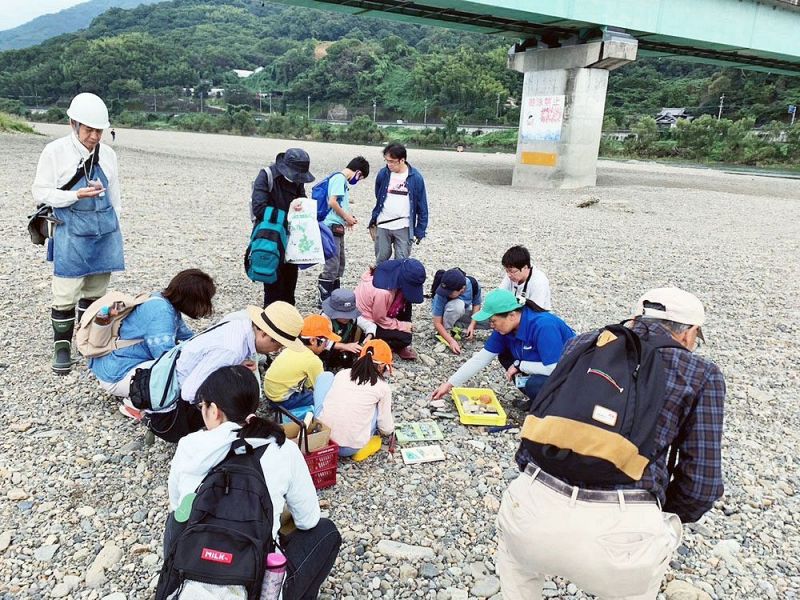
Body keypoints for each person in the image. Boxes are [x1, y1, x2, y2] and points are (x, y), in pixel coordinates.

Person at [495, 287, 726, 600]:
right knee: (634, 584)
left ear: (634, 319)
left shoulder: (582, 344)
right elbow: (701, 486)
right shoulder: (702, 373)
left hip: (531, 511)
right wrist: (657, 511)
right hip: (620, 539)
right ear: (690, 334)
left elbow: (534, 436)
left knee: (516, 568)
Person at [165, 365, 341, 600]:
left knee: (176, 518)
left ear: (214, 410)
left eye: (202, 407)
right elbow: (308, 521)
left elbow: (179, 510)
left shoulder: (189, 445)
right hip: (255, 586)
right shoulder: (283, 447)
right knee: (325, 531)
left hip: (190, 583)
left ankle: (172, 583)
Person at [32, 92, 124, 375]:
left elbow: (116, 197)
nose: (95, 136)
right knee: (65, 293)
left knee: (97, 293)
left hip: (104, 232)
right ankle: (62, 348)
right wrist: (74, 195)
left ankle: (89, 343)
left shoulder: (108, 155)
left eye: (100, 130)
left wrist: (113, 227)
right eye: (89, 130)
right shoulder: (55, 151)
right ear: (73, 123)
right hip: (70, 230)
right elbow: (40, 192)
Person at [140, 302, 305, 441]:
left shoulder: (240, 324)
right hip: (171, 410)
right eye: (278, 345)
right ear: (263, 334)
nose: (277, 350)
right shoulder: (231, 350)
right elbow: (189, 393)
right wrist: (222, 415)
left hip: (172, 378)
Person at [431, 289, 575, 410]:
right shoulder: (505, 329)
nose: (491, 326)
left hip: (571, 375)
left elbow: (554, 368)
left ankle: (555, 408)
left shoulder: (543, 326)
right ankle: (538, 399)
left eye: (493, 321)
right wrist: (449, 384)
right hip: (540, 364)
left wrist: (520, 365)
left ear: (512, 315)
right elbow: (481, 359)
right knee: (505, 356)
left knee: (534, 384)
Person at [90, 269, 216, 399]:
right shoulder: (162, 314)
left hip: (109, 365)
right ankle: (136, 404)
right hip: (116, 374)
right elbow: (164, 358)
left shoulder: (162, 300)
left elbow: (188, 337)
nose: (208, 306)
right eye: (206, 301)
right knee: (178, 375)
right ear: (193, 299)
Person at [251, 148, 315, 306]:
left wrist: (302, 206)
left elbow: (302, 199)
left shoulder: (298, 180)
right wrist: (289, 213)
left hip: (292, 239)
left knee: (289, 288)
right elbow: (258, 208)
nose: (297, 179)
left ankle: (287, 324)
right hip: (270, 239)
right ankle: (270, 325)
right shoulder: (266, 175)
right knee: (273, 288)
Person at [316, 340, 394, 461]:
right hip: (350, 448)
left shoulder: (342, 374)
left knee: (325, 376)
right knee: (373, 408)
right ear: (383, 365)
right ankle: (364, 444)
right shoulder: (382, 387)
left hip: (322, 438)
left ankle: (320, 420)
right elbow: (386, 429)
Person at [317, 156, 370, 304]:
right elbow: (332, 202)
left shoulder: (341, 181)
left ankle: (334, 294)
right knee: (332, 263)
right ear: (358, 172)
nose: (357, 181)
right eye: (360, 178)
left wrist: (347, 218)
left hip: (337, 226)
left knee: (340, 262)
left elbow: (338, 205)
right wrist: (347, 217)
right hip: (330, 227)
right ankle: (325, 297)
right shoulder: (339, 179)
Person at [354, 258, 426, 361]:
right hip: (366, 320)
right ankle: (373, 341)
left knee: (407, 300)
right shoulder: (383, 292)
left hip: (378, 310)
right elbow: (379, 319)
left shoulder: (389, 272)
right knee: (405, 338)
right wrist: (402, 326)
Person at [263, 314, 337, 413]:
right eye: (326, 342)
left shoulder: (292, 347)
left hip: (270, 393)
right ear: (313, 340)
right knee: (325, 399)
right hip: (282, 400)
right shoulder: (313, 361)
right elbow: (320, 388)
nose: (326, 346)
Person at [369, 142, 429, 263]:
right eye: (386, 161)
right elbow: (378, 194)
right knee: (381, 259)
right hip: (383, 223)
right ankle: (381, 281)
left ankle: (398, 282)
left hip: (404, 225)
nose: (388, 164)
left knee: (401, 261)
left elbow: (422, 206)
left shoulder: (416, 178)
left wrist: (420, 229)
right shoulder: (383, 173)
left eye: (392, 161)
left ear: (402, 160)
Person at [320, 288, 376, 371]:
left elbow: (371, 326)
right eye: (343, 315)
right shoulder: (324, 318)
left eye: (349, 314)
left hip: (347, 345)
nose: (346, 318)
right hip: (328, 349)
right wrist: (344, 346)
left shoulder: (354, 318)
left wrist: (367, 340)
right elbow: (320, 341)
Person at [431, 268, 483, 355]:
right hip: (446, 314)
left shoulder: (473, 284)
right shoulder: (441, 293)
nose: (446, 294)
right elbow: (437, 322)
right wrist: (451, 341)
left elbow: (476, 304)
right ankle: (447, 330)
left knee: (489, 320)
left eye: (450, 292)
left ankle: (457, 326)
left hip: (463, 311)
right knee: (458, 305)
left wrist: (472, 325)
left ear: (462, 289)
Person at [500, 245, 552, 311]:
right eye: (506, 271)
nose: (509, 275)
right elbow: (500, 295)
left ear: (525, 267)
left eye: (512, 271)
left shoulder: (539, 282)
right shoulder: (511, 274)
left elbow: (536, 310)